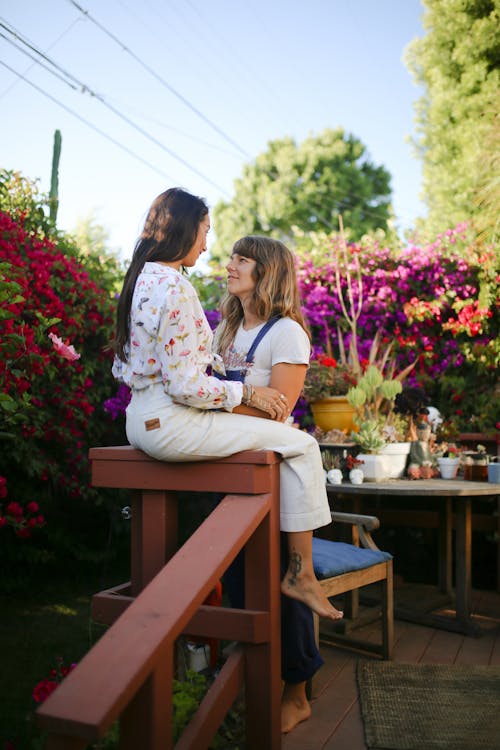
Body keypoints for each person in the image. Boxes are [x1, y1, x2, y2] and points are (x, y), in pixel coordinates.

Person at [112, 187, 340, 626]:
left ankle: (287, 584)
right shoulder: (176, 288)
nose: (208, 246)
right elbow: (186, 386)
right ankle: (302, 572)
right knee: (304, 447)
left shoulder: (141, 279)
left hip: (140, 420)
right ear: (185, 229)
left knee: (286, 455)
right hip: (172, 424)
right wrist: (246, 393)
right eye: (205, 232)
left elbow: (132, 364)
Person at [213, 234, 343, 733]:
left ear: (265, 272)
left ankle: (298, 690)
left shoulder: (286, 332)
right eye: (230, 257)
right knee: (242, 582)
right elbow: (233, 396)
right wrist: (236, 395)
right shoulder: (225, 329)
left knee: (278, 581)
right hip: (230, 466)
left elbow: (280, 406)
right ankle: (247, 677)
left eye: (242, 260)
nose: (230, 266)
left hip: (273, 472)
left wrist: (220, 396)